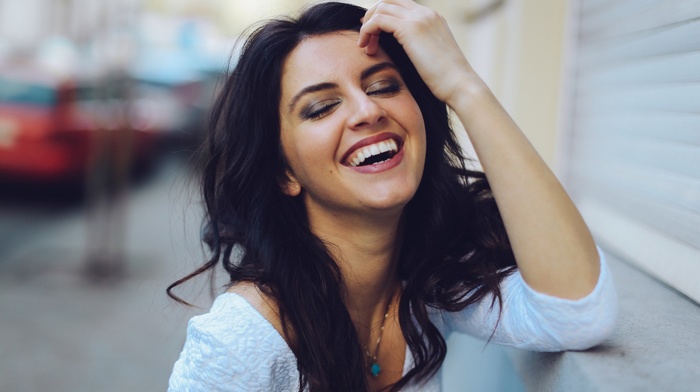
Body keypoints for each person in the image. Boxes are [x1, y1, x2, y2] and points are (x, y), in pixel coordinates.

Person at [167, 1, 617, 391]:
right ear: (285, 174)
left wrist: (464, 85)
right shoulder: (237, 343)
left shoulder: (426, 285)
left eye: (383, 86)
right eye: (321, 107)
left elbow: (576, 312)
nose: (368, 110)